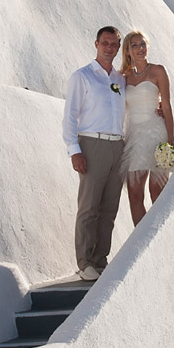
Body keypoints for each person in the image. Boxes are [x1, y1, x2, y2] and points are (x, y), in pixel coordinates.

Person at [62, 26, 125, 281]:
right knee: (89, 206)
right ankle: (84, 262)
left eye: (114, 44)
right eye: (105, 43)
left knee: (109, 207)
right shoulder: (83, 76)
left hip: (117, 146)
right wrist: (74, 150)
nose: (109, 48)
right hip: (92, 143)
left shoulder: (120, 79)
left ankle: (100, 260)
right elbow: (70, 116)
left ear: (118, 48)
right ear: (96, 43)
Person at [119, 30, 174, 226]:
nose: (140, 49)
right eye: (135, 45)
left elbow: (166, 105)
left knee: (157, 193)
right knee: (134, 194)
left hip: (157, 133)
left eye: (143, 44)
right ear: (128, 51)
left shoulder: (158, 71)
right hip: (134, 137)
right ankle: (143, 240)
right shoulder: (124, 77)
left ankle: (163, 236)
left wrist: (171, 139)